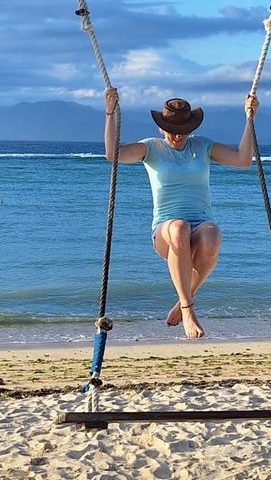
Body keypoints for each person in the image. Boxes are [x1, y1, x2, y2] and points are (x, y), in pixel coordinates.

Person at [104, 89, 259, 340]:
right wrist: (110, 112)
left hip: (200, 224)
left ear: (191, 128)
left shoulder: (203, 146)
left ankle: (184, 297)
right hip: (166, 229)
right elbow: (113, 155)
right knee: (179, 228)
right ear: (161, 128)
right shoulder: (150, 148)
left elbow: (243, 160)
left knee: (212, 236)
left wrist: (250, 118)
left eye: (183, 129)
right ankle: (188, 310)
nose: (177, 135)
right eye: (171, 128)